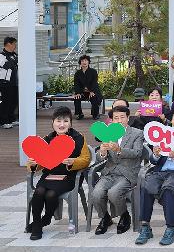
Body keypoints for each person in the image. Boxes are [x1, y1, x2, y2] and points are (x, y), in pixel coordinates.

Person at [25, 107, 91, 240]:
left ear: (70, 123)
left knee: (51, 194)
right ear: (53, 123)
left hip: (69, 177)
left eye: (66, 121)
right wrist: (33, 164)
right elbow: (40, 163)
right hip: (49, 176)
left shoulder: (79, 138)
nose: (62, 124)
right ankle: (38, 224)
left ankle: (47, 218)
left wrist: (73, 162)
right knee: (39, 192)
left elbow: (86, 159)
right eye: (58, 121)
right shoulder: (47, 139)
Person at [135, 108, 174, 246]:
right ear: (171, 122)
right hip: (161, 171)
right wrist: (156, 154)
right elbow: (153, 160)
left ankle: (171, 229)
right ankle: (145, 227)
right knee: (146, 186)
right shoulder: (163, 136)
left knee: (169, 189)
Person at [90, 105, 144, 235]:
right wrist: (102, 152)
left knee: (114, 193)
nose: (119, 120)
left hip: (128, 172)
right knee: (96, 194)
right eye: (116, 118)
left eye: (122, 117)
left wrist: (119, 149)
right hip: (109, 172)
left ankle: (124, 215)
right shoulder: (109, 133)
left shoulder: (137, 133)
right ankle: (105, 218)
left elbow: (137, 153)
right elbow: (99, 159)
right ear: (112, 120)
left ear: (128, 118)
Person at [72, 55, 102, 121]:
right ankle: (79, 114)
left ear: (88, 62)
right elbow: (76, 84)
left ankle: (95, 114)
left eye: (86, 60)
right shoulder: (77, 73)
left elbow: (94, 82)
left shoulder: (93, 71)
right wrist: (78, 93)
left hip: (93, 91)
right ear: (80, 63)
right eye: (82, 61)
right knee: (77, 98)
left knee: (94, 97)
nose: (84, 62)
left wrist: (92, 91)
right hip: (83, 92)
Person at [0, 36, 18, 129]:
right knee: (6, 102)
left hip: (14, 82)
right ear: (8, 44)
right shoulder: (1, 55)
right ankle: (4, 121)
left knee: (14, 101)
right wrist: (13, 60)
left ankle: (11, 119)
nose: (15, 45)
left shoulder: (14, 55)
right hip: (4, 82)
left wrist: (14, 60)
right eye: (14, 43)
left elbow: (17, 62)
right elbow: (6, 65)